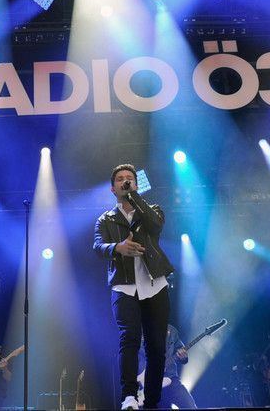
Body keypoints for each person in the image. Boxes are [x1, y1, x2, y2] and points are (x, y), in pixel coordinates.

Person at [94, 164, 175, 410]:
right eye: (120, 179)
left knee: (156, 346)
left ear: (136, 185)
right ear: (112, 188)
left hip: (155, 285)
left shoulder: (153, 210)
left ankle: (151, 402)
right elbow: (97, 247)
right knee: (129, 339)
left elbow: (156, 226)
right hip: (124, 287)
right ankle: (129, 396)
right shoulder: (105, 219)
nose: (125, 181)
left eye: (129, 178)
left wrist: (135, 198)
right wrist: (117, 248)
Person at [138, 324, 197, 408]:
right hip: (147, 382)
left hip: (171, 379)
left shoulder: (172, 330)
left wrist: (183, 357)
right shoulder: (136, 330)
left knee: (190, 406)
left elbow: (182, 354)